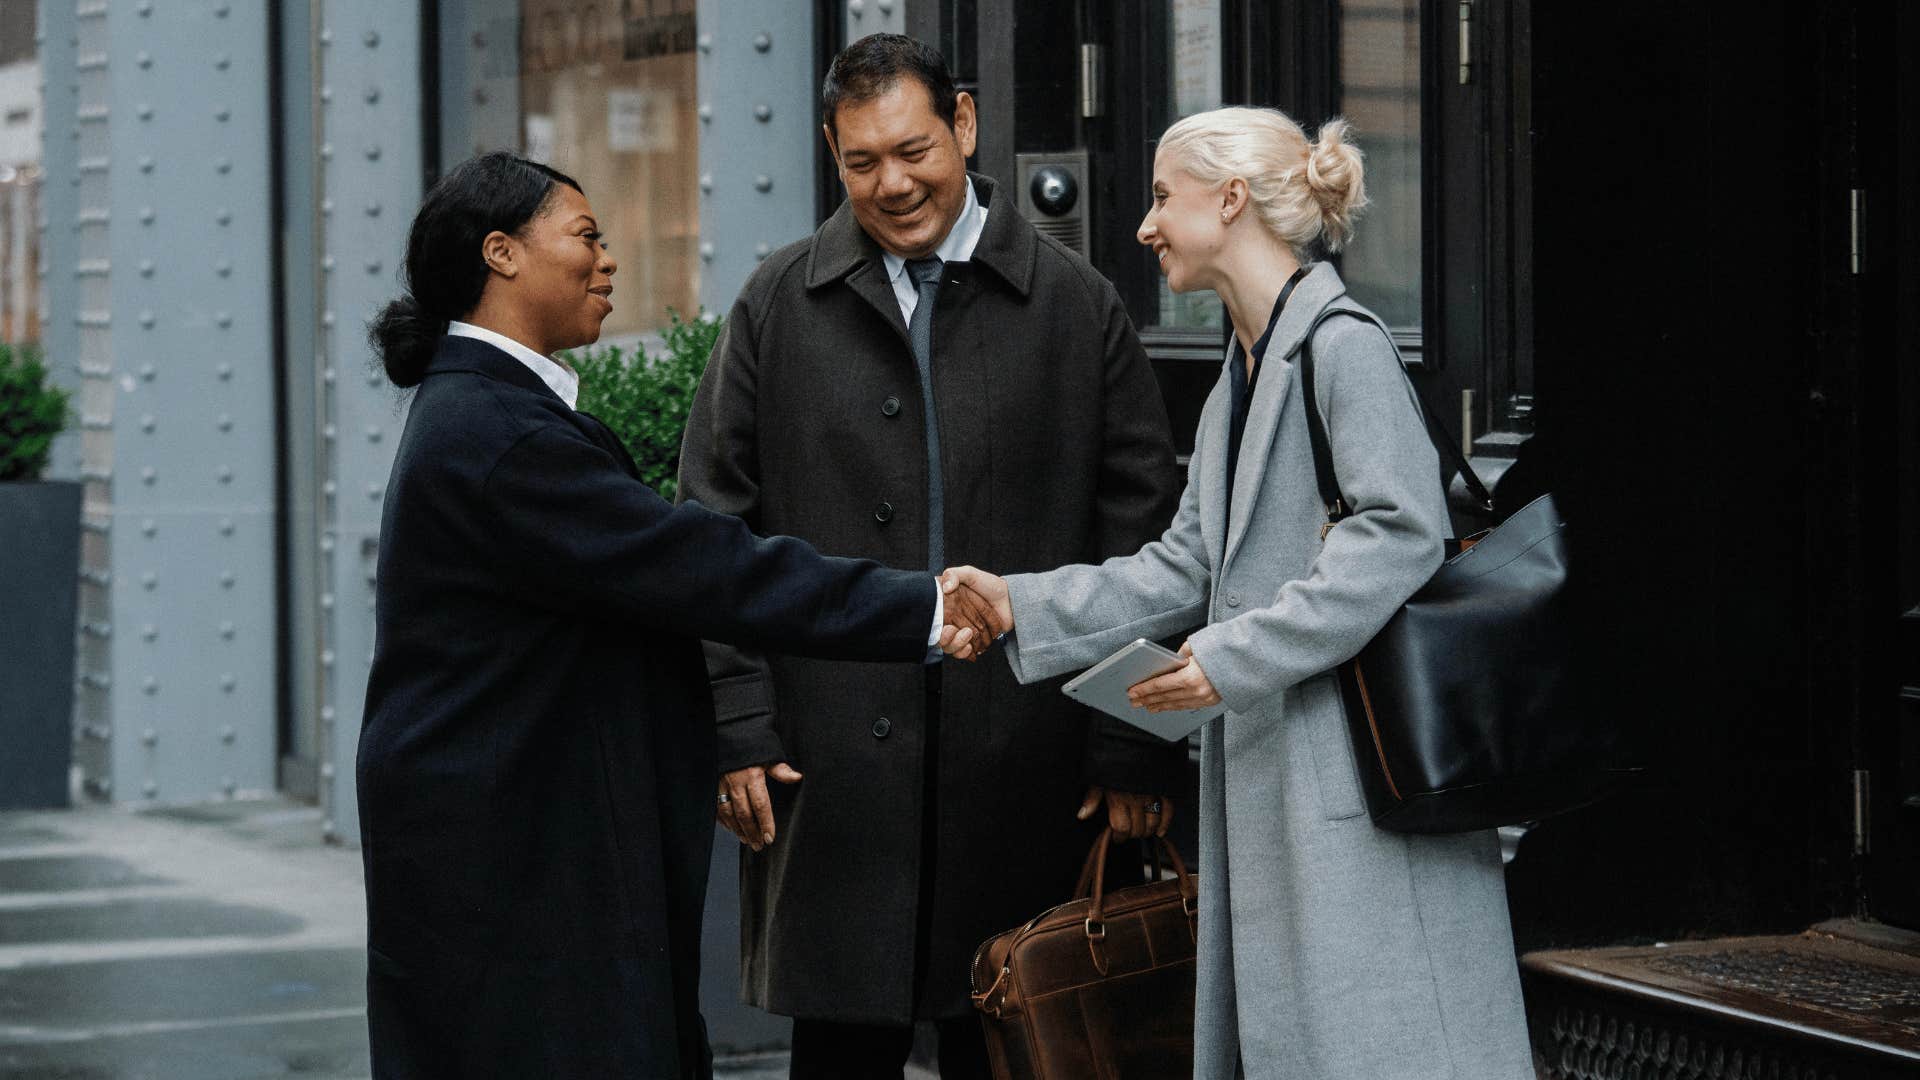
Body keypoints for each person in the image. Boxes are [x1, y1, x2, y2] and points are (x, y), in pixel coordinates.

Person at [356, 151, 986, 1080]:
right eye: (585, 236)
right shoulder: (502, 436)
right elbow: (703, 566)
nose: (608, 260)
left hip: (503, 840)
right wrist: (924, 606)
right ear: (501, 254)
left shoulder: (483, 412)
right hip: (517, 859)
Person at [942, 107, 1536, 1079]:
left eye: (1162, 198)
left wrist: (1226, 660)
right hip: (1290, 791)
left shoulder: (1342, 345)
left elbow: (1401, 533)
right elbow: (1182, 567)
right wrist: (1019, 605)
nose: (1144, 226)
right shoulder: (1241, 375)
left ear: (1229, 201)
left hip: (1361, 788)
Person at [676, 34, 1183, 1079]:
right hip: (828, 770)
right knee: (838, 1053)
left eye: (913, 150)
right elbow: (710, 524)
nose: (892, 184)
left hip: (1032, 770)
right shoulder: (777, 302)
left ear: (964, 122)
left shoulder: (1077, 303)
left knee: (1009, 1041)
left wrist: (1135, 744)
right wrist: (733, 725)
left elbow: (1144, 533)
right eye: (861, 163)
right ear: (830, 151)